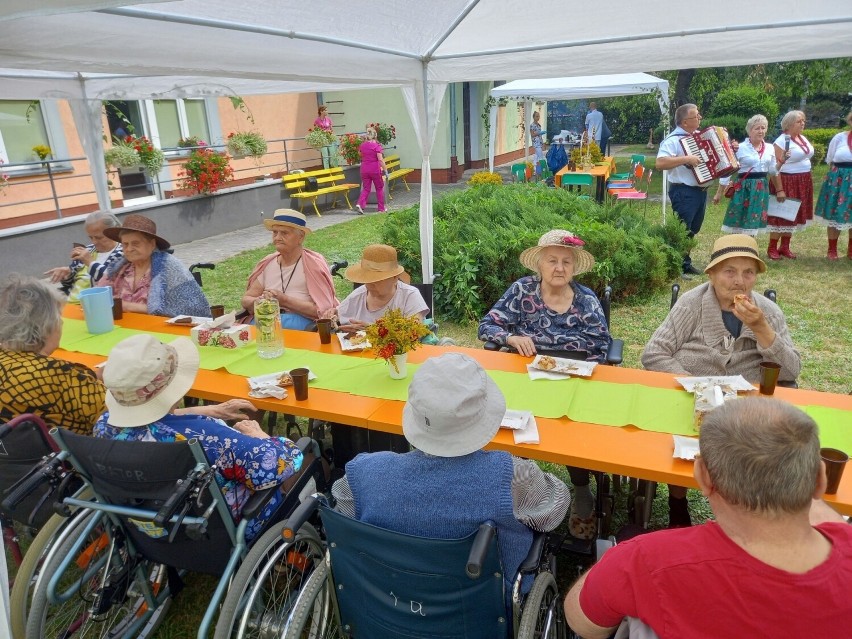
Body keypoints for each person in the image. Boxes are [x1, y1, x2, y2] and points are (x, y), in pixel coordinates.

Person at [564, 397, 850, 639]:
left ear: (702, 476)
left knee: (628, 531)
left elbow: (583, 622)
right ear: (821, 480)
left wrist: (611, 566)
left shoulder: (645, 561)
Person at [332, 353, 569, 597]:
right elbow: (554, 511)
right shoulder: (514, 477)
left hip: (389, 598)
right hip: (480, 605)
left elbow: (345, 516)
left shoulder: (363, 474)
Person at [642, 234, 801, 526]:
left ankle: (741, 511)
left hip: (747, 405)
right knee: (681, 434)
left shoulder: (768, 312)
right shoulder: (692, 304)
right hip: (693, 397)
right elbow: (653, 353)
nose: (739, 281)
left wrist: (761, 328)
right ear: (712, 274)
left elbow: (791, 372)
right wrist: (695, 386)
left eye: (748, 272)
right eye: (729, 271)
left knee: (759, 448)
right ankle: (678, 501)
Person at [94, 334, 304, 541]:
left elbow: (158, 422)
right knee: (308, 456)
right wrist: (260, 435)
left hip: (147, 522)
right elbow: (280, 463)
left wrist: (210, 410)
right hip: (220, 526)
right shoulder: (207, 437)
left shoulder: (104, 426)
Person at [478, 229, 611, 540]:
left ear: (574, 267)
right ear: (539, 264)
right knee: (511, 431)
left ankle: (580, 490)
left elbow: (602, 348)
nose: (559, 268)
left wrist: (580, 370)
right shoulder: (522, 291)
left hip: (572, 383)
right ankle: (519, 491)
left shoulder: (587, 300)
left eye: (566, 262)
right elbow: (487, 325)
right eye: (552, 260)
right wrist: (510, 337)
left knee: (571, 434)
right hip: (526, 380)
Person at [322, 244, 429, 470]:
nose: (369, 284)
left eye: (376, 279)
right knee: (342, 404)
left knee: (385, 419)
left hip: (397, 370)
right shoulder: (361, 294)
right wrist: (334, 319)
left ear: (394, 278)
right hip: (361, 369)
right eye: (366, 278)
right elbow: (339, 320)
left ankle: (388, 464)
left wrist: (371, 329)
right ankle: (346, 465)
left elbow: (413, 335)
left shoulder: (409, 296)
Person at [0, 274, 105, 434]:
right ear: (46, 325)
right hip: (66, 454)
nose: (62, 323)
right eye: (59, 317)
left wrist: (91, 378)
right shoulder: (60, 375)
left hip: (10, 453)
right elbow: (113, 414)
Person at [97, 214, 209, 317]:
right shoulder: (118, 267)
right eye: (125, 244)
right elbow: (98, 294)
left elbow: (192, 309)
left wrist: (128, 307)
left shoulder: (169, 266)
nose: (129, 249)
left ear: (152, 244)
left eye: (135, 243)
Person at [242, 209, 338, 329]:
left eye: (284, 233)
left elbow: (323, 310)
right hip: (266, 320)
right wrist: (261, 301)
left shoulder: (313, 264)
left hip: (302, 324)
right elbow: (246, 299)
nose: (277, 237)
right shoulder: (268, 263)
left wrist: (285, 301)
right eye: (275, 232)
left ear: (301, 237)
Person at [656, 104, 712, 276]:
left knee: (693, 229)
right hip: (683, 191)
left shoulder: (698, 137)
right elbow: (660, 163)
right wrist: (686, 158)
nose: (700, 118)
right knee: (682, 229)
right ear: (685, 122)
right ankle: (676, 266)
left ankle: (685, 263)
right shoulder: (673, 140)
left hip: (699, 191)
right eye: (696, 116)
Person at [713, 114, 786, 235]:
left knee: (754, 221)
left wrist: (782, 162)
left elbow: (773, 171)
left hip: (761, 187)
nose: (761, 131)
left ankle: (749, 249)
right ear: (749, 131)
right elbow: (728, 171)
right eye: (757, 128)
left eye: (763, 128)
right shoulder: (740, 148)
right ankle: (736, 249)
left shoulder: (769, 148)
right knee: (739, 220)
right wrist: (719, 193)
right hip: (744, 188)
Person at [44, 211, 124, 302]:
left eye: (99, 237)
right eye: (91, 237)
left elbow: (112, 282)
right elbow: (72, 286)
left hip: (99, 305)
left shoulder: (123, 253)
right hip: (73, 304)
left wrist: (90, 263)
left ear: (114, 232)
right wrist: (68, 275)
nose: (94, 242)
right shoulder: (88, 250)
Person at [767, 110, 814, 260]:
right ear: (788, 124)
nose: (802, 124)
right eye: (799, 121)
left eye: (803, 121)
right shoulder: (781, 141)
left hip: (802, 181)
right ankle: (772, 247)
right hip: (787, 181)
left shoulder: (801, 138)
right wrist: (779, 189)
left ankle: (785, 246)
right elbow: (774, 167)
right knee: (781, 214)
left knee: (792, 215)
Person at [814, 110, 852, 260]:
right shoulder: (839, 138)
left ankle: (851, 251)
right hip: (839, 181)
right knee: (835, 214)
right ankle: (832, 249)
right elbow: (830, 160)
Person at [354, 126, 387, 215]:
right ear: (375, 136)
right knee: (379, 188)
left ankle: (360, 204)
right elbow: (380, 159)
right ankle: (381, 208)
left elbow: (360, 154)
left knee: (366, 188)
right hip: (375, 169)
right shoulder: (377, 146)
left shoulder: (363, 145)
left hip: (364, 169)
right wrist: (386, 171)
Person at [313, 105, 337, 169]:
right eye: (325, 110)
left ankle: (334, 168)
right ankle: (327, 170)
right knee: (325, 157)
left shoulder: (328, 119)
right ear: (321, 111)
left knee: (333, 155)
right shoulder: (317, 121)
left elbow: (331, 129)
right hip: (322, 140)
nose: (327, 111)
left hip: (329, 139)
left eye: (326, 110)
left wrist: (330, 132)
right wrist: (323, 132)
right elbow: (316, 131)